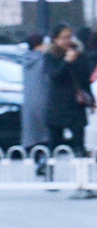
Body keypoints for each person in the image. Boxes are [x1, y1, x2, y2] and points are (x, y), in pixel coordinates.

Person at [44, 26, 87, 155]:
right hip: (57, 105)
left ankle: (81, 171)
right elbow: (55, 76)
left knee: (79, 145)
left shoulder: (78, 54)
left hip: (76, 104)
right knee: (54, 144)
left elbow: (84, 79)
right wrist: (67, 61)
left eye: (69, 37)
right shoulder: (50, 56)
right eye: (63, 38)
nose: (67, 41)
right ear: (55, 39)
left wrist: (91, 98)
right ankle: (47, 169)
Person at [18, 33, 49, 155]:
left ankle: (37, 159)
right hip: (43, 100)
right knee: (44, 136)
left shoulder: (25, 60)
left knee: (32, 135)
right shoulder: (42, 60)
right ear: (38, 45)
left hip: (28, 102)